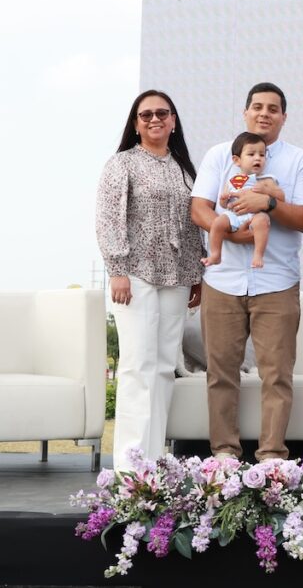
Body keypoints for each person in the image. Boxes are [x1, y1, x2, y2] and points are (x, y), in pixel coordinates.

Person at [191, 83, 303, 462]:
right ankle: (224, 455)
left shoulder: (299, 161)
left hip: (277, 282)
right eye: (257, 107)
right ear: (245, 112)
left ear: (284, 117)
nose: (264, 114)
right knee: (220, 373)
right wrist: (231, 234)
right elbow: (199, 208)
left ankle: (272, 457)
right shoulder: (220, 155)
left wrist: (268, 203)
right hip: (223, 280)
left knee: (277, 375)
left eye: (273, 109)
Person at [95, 90, 203, 472]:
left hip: (177, 276)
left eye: (162, 113)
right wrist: (117, 270)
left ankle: (154, 465)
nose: (155, 119)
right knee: (137, 366)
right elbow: (108, 219)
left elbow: (194, 224)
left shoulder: (185, 169)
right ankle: (130, 469)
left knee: (162, 368)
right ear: (136, 123)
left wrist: (197, 275)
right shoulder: (122, 163)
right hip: (135, 274)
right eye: (146, 115)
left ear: (173, 121)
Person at [201, 132, 283, 269]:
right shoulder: (233, 180)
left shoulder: (266, 179)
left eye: (262, 155)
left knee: (262, 221)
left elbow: (281, 197)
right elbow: (225, 205)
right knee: (217, 222)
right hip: (235, 214)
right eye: (251, 154)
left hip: (255, 215)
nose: (257, 158)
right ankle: (215, 254)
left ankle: (258, 255)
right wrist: (223, 200)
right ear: (237, 160)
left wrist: (267, 190)